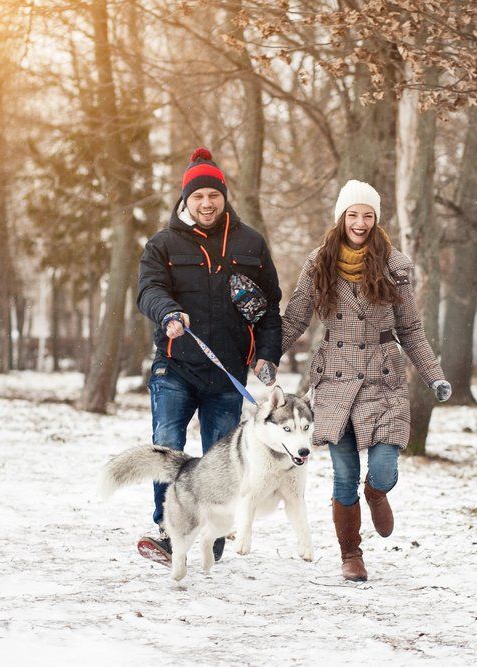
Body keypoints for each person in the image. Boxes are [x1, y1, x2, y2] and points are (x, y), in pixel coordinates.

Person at [281, 179, 451, 582]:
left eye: (368, 215)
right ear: (341, 217)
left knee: (385, 467)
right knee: (343, 476)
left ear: (376, 220)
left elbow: (410, 329)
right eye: (353, 214)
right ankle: (351, 555)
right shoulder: (319, 262)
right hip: (335, 376)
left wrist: (435, 376)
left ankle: (376, 492)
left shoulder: (395, 267)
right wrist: (263, 355)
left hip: (382, 378)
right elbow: (296, 318)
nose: (360, 222)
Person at [135, 148, 281, 564]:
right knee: (167, 445)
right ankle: (169, 529)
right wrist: (168, 313)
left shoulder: (250, 243)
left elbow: (270, 307)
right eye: (197, 196)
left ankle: (212, 531)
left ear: (223, 196)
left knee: (221, 458)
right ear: (186, 200)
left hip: (226, 371)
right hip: (175, 364)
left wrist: (267, 355)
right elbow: (148, 291)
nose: (206, 203)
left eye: (212, 195)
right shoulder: (162, 244)